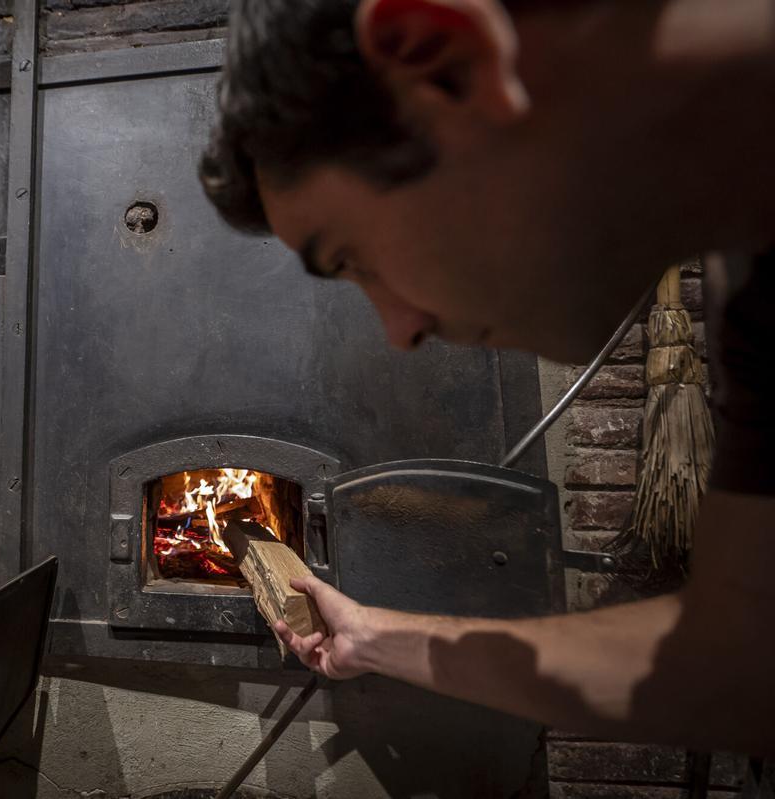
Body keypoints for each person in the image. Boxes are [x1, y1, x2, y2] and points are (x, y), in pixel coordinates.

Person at [199, 0, 775, 757]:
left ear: (440, 57)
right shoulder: (755, 294)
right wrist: (372, 636)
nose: (400, 331)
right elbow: (741, 661)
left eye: (351, 257)